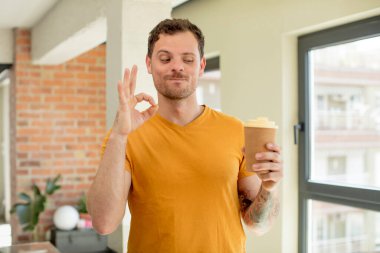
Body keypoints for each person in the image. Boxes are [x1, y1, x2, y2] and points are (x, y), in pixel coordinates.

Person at [87, 18, 283, 253]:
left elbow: (258, 224)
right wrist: (119, 136)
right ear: (149, 64)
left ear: (200, 66)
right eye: (165, 58)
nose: (177, 66)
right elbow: (103, 223)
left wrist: (269, 188)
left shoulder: (234, 130)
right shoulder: (126, 136)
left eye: (187, 59)